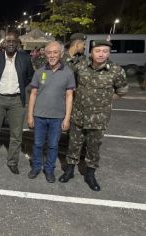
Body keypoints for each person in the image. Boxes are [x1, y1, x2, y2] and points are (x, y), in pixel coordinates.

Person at [58, 40, 128, 191]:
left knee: (93, 147)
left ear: (109, 53)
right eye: (98, 51)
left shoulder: (116, 70)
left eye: (105, 51)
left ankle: (90, 175)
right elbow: (72, 86)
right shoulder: (80, 67)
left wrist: (105, 101)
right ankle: (69, 171)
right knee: (73, 144)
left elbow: (121, 91)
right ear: (91, 52)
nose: (101, 54)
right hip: (79, 115)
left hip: (99, 117)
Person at [27, 41, 75, 182]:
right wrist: (30, 115)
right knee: (37, 144)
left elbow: (69, 96)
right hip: (39, 116)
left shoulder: (68, 73)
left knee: (53, 145)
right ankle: (36, 167)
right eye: (49, 52)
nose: (52, 55)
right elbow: (33, 94)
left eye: (55, 52)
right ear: (45, 54)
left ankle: (49, 170)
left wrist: (67, 118)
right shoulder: (39, 72)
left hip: (57, 117)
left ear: (61, 54)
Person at [0, 31, 34, 174]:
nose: (11, 43)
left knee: (16, 134)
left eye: (14, 41)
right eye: (8, 41)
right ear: (4, 43)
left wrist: (18, 87)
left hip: (17, 100)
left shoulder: (25, 58)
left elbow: (29, 76)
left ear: (18, 43)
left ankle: (12, 162)